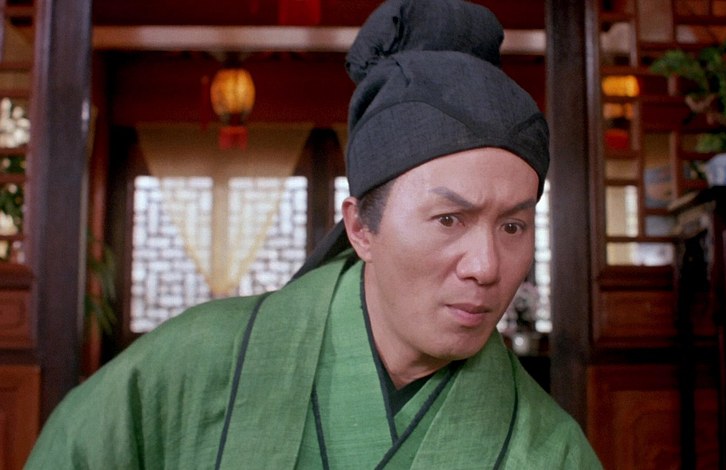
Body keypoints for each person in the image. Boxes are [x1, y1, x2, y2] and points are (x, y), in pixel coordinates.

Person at [26, 0, 602, 468]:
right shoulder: (192, 364)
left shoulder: (547, 448)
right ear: (361, 227)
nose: (487, 266)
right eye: (449, 219)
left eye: (513, 225)